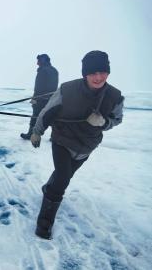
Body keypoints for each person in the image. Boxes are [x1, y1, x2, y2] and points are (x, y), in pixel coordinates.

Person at [30, 51, 124, 239]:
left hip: (87, 146)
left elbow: (117, 119)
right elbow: (47, 112)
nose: (98, 77)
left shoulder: (115, 96)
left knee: (63, 176)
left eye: (102, 72)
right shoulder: (67, 89)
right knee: (63, 178)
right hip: (62, 140)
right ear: (85, 73)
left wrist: (104, 123)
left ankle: (48, 189)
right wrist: (36, 132)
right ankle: (44, 223)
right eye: (93, 73)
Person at [21, 54, 59, 140]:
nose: (37, 63)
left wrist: (34, 99)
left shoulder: (43, 71)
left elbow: (38, 87)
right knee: (51, 117)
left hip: (41, 99)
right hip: (52, 98)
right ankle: (54, 137)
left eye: (38, 61)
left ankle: (30, 134)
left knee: (35, 116)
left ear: (43, 61)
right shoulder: (54, 71)